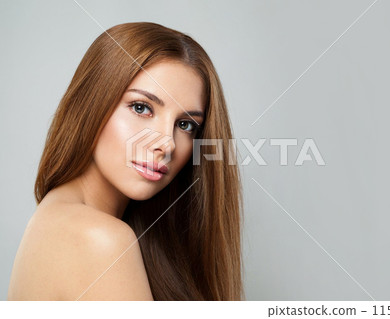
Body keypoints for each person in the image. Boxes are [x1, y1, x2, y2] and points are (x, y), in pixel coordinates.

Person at [7, 22, 243, 301]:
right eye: (141, 108)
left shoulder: (56, 217)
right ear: (90, 104)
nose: (166, 143)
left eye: (185, 125)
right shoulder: (99, 238)